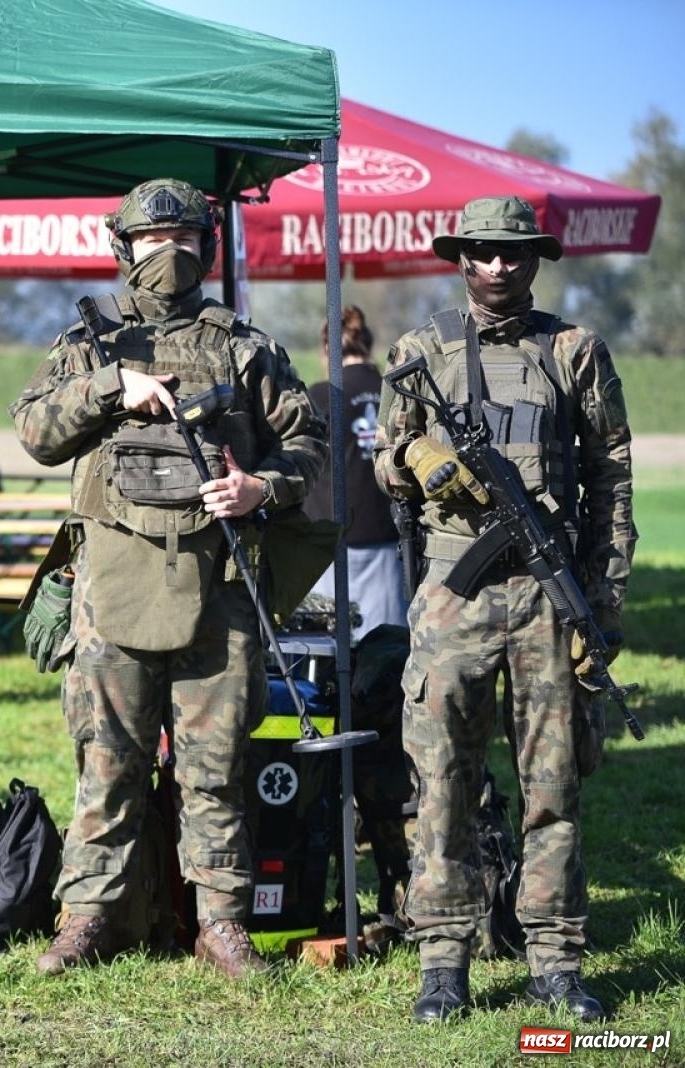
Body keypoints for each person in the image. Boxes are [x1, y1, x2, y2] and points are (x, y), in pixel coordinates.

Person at [10, 178, 326, 980]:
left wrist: (262, 488)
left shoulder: (245, 348)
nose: (170, 255)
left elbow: (308, 445)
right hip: (111, 584)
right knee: (106, 760)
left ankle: (221, 924)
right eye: (154, 241)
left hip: (216, 588)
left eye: (185, 241)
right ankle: (86, 917)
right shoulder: (88, 345)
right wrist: (112, 388)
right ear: (125, 249)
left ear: (207, 249)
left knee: (214, 767)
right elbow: (35, 432)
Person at [374, 195, 634, 1023]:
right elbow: (382, 460)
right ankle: (444, 961)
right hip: (454, 596)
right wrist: (418, 453)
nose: (498, 266)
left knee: (553, 787)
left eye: (514, 253)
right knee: (442, 782)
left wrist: (602, 605)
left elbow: (611, 483)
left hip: (548, 601)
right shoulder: (421, 351)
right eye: (483, 251)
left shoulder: (574, 351)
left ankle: (555, 961)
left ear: (535, 259)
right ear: (463, 257)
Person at [304, 306, 407, 639]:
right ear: (369, 343)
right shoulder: (397, 392)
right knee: (386, 648)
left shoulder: (320, 395)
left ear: (326, 350)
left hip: (329, 538)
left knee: (330, 649)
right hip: (387, 535)